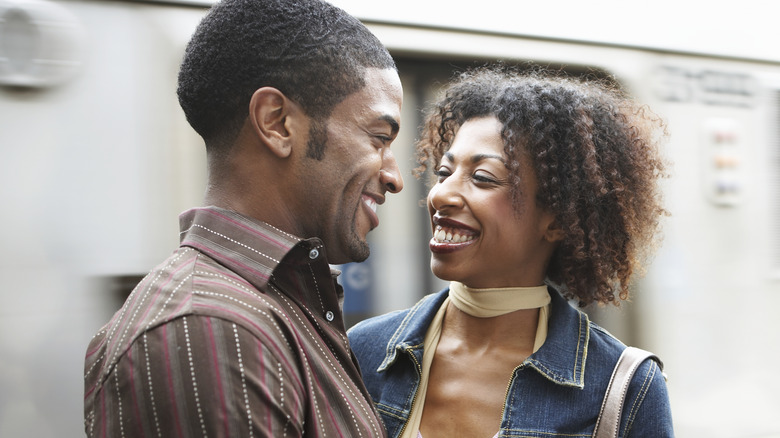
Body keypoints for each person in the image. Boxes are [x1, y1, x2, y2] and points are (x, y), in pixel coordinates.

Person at [83, 0, 404, 436]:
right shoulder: (210, 329)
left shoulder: (273, 308)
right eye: (380, 138)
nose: (394, 177)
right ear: (277, 123)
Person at [348, 67, 674, 438]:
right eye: (443, 172)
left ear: (557, 220)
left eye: (482, 178)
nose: (440, 195)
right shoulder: (364, 351)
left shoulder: (625, 387)